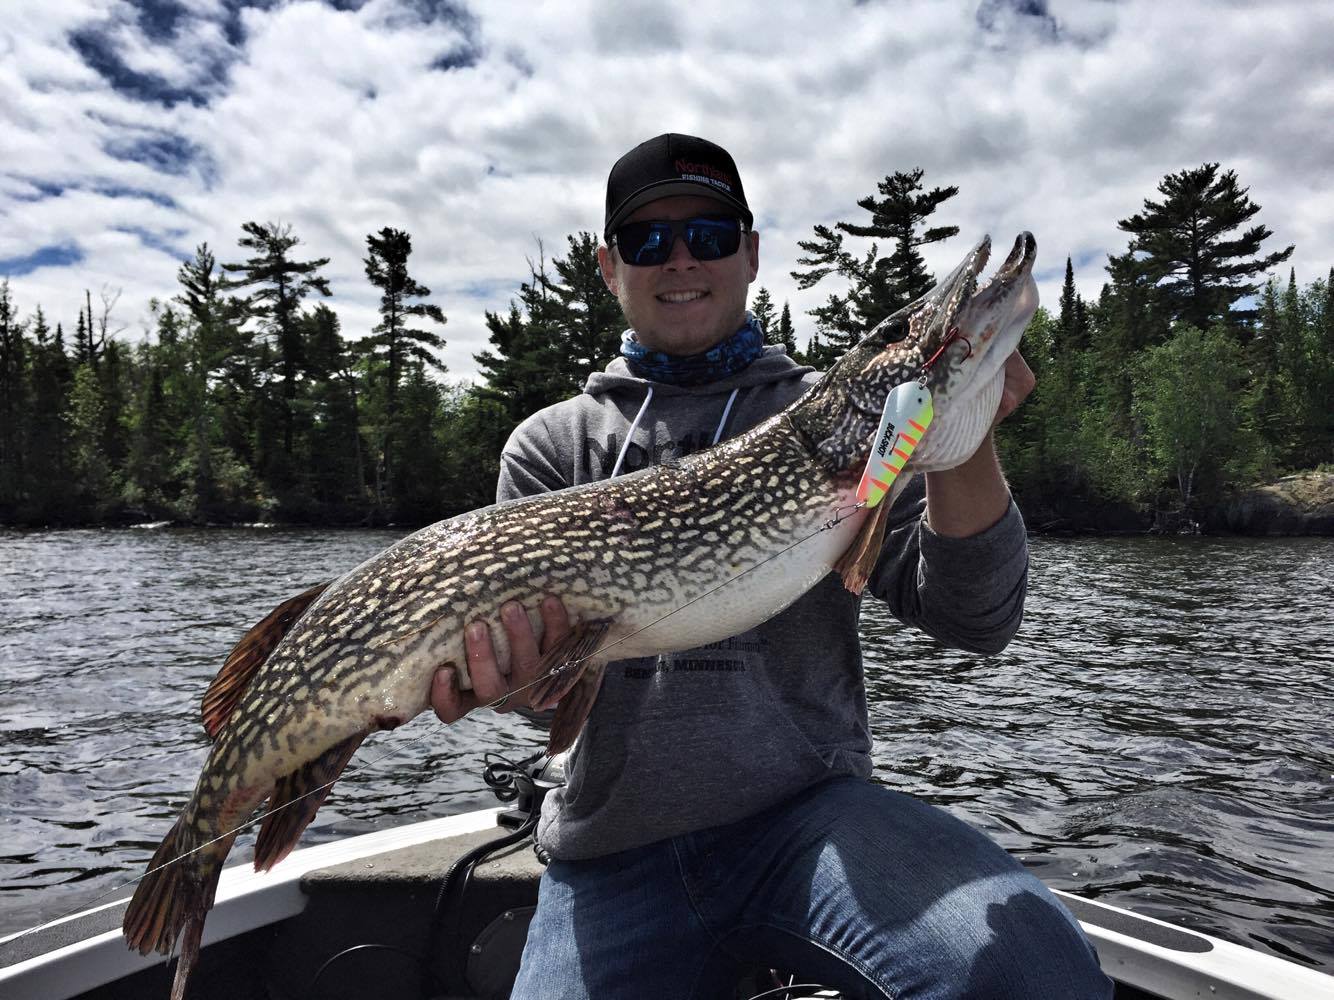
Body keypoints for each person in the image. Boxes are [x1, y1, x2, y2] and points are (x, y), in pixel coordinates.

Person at [432, 133, 1111, 999]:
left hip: (812, 825)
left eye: (710, 235)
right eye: (649, 242)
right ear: (610, 267)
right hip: (611, 852)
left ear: (750, 253)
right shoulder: (555, 446)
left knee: (1035, 972)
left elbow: (977, 619)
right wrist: (514, 685)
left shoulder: (834, 420)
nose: (681, 260)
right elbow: (540, 705)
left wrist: (962, 444)